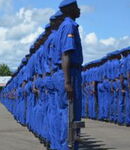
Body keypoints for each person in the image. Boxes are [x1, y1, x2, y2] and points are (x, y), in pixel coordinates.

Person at [58, 0, 83, 149]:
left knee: (66, 116)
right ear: (70, 9)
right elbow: (66, 54)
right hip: (71, 73)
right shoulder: (69, 26)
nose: (79, 10)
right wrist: (68, 82)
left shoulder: (66, 25)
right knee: (71, 116)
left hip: (70, 72)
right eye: (76, 7)